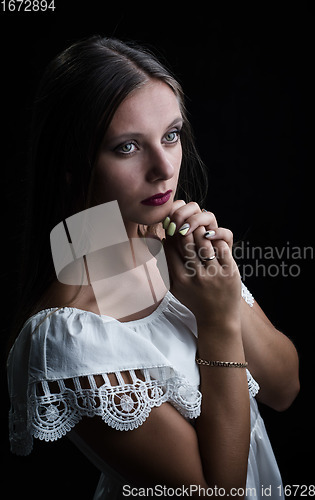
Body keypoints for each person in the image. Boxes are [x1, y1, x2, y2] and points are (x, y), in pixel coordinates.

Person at [7, 36, 300, 499]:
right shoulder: (68, 336)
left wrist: (220, 286)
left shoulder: (168, 242)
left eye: (171, 134)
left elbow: (284, 389)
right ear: (70, 164)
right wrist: (218, 318)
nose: (164, 167)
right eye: (127, 147)